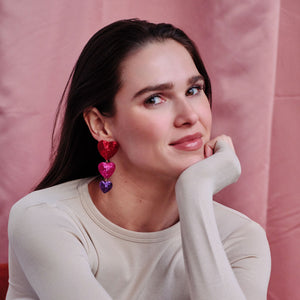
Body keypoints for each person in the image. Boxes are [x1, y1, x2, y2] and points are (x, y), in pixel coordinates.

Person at [6, 19, 271, 300]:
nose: (190, 117)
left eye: (194, 90)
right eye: (155, 99)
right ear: (100, 124)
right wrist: (193, 192)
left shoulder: (241, 238)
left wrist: (194, 193)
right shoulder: (46, 219)